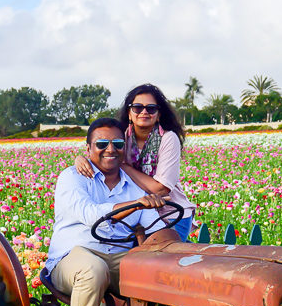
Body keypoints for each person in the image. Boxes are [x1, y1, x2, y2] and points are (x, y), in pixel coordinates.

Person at [46, 117, 169, 306]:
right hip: (73, 256)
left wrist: (170, 245)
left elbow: (154, 223)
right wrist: (134, 205)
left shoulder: (134, 185)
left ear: (125, 149)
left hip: (118, 255)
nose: (110, 149)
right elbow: (90, 214)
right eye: (102, 143)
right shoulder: (73, 178)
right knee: (93, 269)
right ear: (88, 149)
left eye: (117, 144)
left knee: (157, 269)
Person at [76, 84, 195, 240]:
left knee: (159, 258)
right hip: (135, 213)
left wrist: (123, 166)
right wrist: (80, 159)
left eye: (151, 108)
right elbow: (102, 156)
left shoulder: (168, 138)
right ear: (129, 113)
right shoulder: (120, 138)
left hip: (170, 212)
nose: (144, 112)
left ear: (158, 114)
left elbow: (161, 189)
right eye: (137, 108)